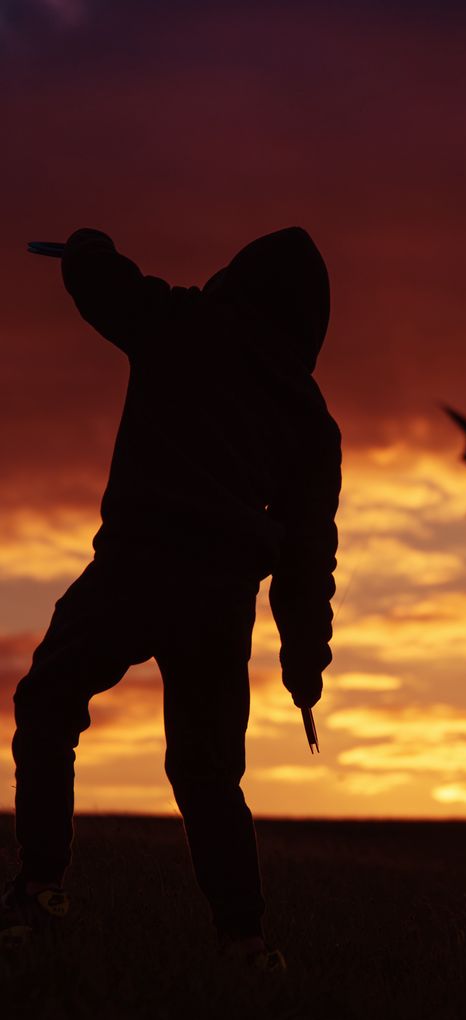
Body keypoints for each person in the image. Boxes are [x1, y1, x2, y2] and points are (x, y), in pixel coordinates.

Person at [0, 224, 342, 969]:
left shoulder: (185, 323)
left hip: (135, 565)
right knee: (208, 770)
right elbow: (307, 557)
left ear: (238, 280)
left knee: (48, 705)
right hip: (218, 599)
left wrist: (89, 248)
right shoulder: (310, 421)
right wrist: (303, 665)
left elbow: (107, 291)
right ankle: (244, 939)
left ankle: (41, 888)